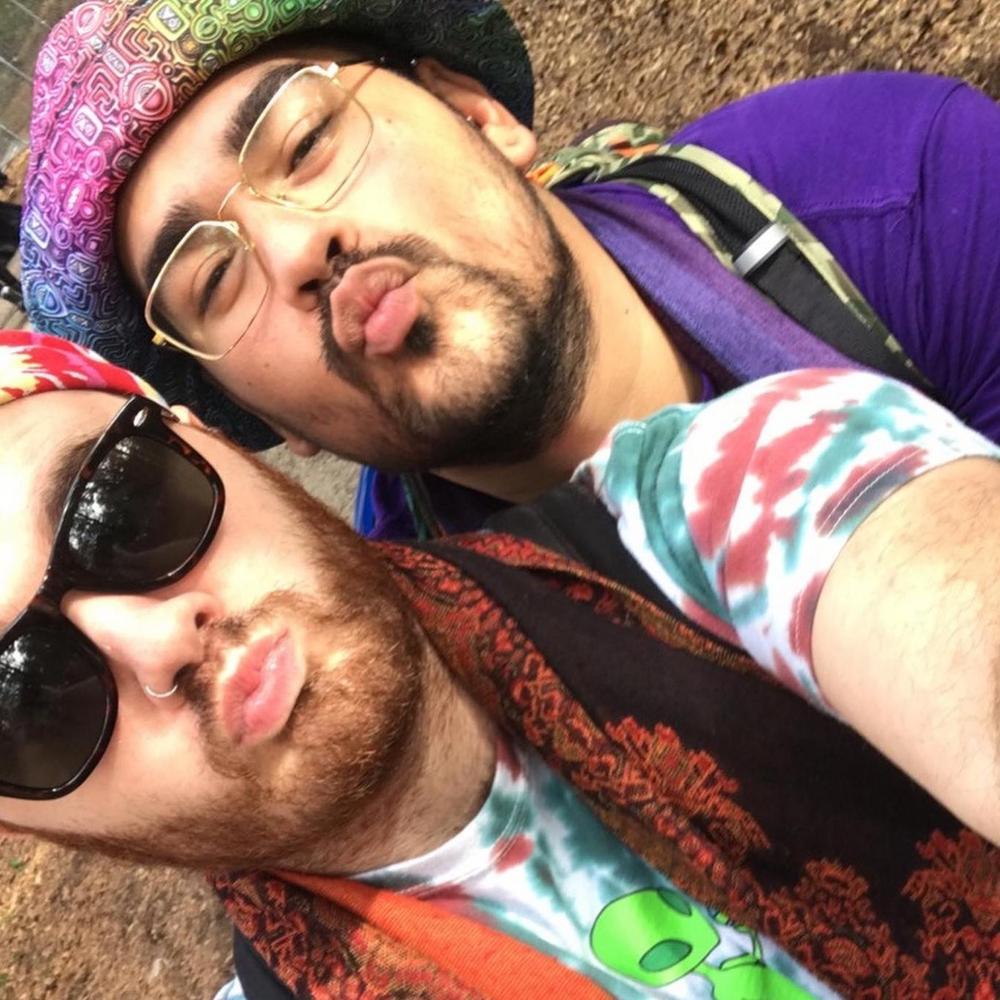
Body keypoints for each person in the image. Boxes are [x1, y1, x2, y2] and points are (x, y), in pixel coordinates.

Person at [0, 331, 996, 999]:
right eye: (22, 699)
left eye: (120, 505)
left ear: (203, 437)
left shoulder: (705, 509)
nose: (161, 643)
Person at [20, 0, 1000, 539]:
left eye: (308, 141)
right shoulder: (437, 665)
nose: (292, 248)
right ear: (263, 418)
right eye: (212, 283)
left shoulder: (902, 195)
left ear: (478, 113)